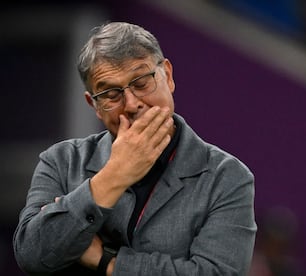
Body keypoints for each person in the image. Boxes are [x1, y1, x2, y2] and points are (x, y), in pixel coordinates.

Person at [13, 21, 257, 275]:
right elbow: (32, 255)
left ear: (168, 76)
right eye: (110, 94)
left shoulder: (228, 177)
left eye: (141, 83)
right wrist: (115, 175)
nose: (131, 104)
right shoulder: (61, 161)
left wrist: (105, 260)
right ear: (93, 105)